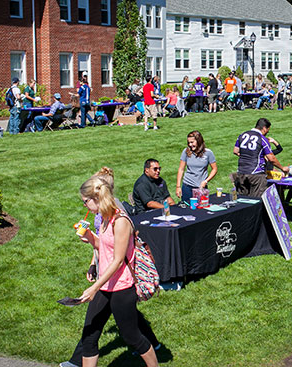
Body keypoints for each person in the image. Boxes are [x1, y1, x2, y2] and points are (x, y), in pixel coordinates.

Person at [62, 168, 162, 367]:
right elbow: (104, 248)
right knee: (90, 334)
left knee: (132, 336)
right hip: (105, 285)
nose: (84, 205)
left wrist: (94, 287)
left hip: (122, 287)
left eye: (85, 201)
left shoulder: (120, 220)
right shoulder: (105, 219)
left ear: (96, 198)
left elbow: (117, 260)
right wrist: (90, 237)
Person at [232, 118, 288, 197]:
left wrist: (247, 155)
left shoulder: (242, 135)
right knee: (257, 201)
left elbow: (235, 151)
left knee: (243, 201)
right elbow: (271, 158)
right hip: (256, 174)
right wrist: (282, 168)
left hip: (241, 171)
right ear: (264, 128)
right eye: (268, 130)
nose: (267, 132)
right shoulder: (262, 139)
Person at [175, 131, 218, 203]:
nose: (190, 145)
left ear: (199, 141)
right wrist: (178, 186)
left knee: (202, 209)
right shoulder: (186, 152)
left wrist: (206, 181)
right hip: (187, 186)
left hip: (201, 188)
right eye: (189, 142)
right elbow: (181, 169)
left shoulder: (208, 153)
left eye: (192, 142)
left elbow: (214, 169)